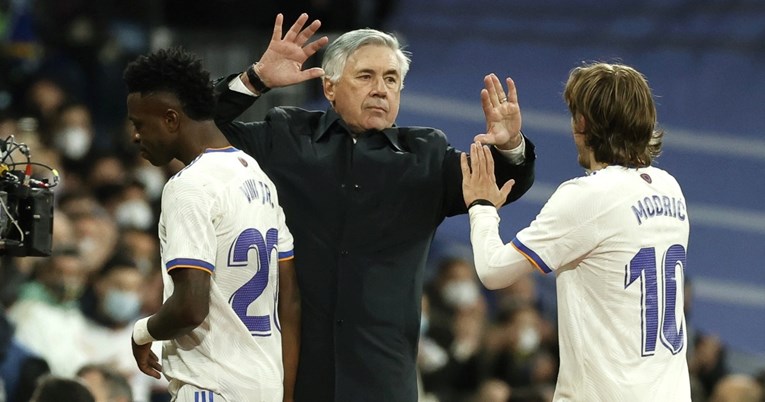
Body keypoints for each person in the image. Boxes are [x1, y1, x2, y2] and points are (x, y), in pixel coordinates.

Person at [213, 13, 536, 402]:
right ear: (329, 87)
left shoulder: (427, 156)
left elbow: (499, 181)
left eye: (391, 79)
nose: (381, 89)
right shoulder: (286, 135)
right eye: (366, 76)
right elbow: (193, 128)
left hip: (383, 379)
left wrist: (510, 146)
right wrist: (255, 79)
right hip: (292, 373)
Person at [461, 62, 691, 401]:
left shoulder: (588, 196)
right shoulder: (669, 188)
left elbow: (493, 271)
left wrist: (481, 206)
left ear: (582, 122)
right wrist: (513, 146)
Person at [123, 47, 300, 401]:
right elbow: (290, 301)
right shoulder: (258, 177)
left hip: (210, 388)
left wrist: (142, 332)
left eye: (139, 124)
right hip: (265, 386)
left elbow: (190, 307)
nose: (135, 136)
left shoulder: (189, 186)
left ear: (171, 119)